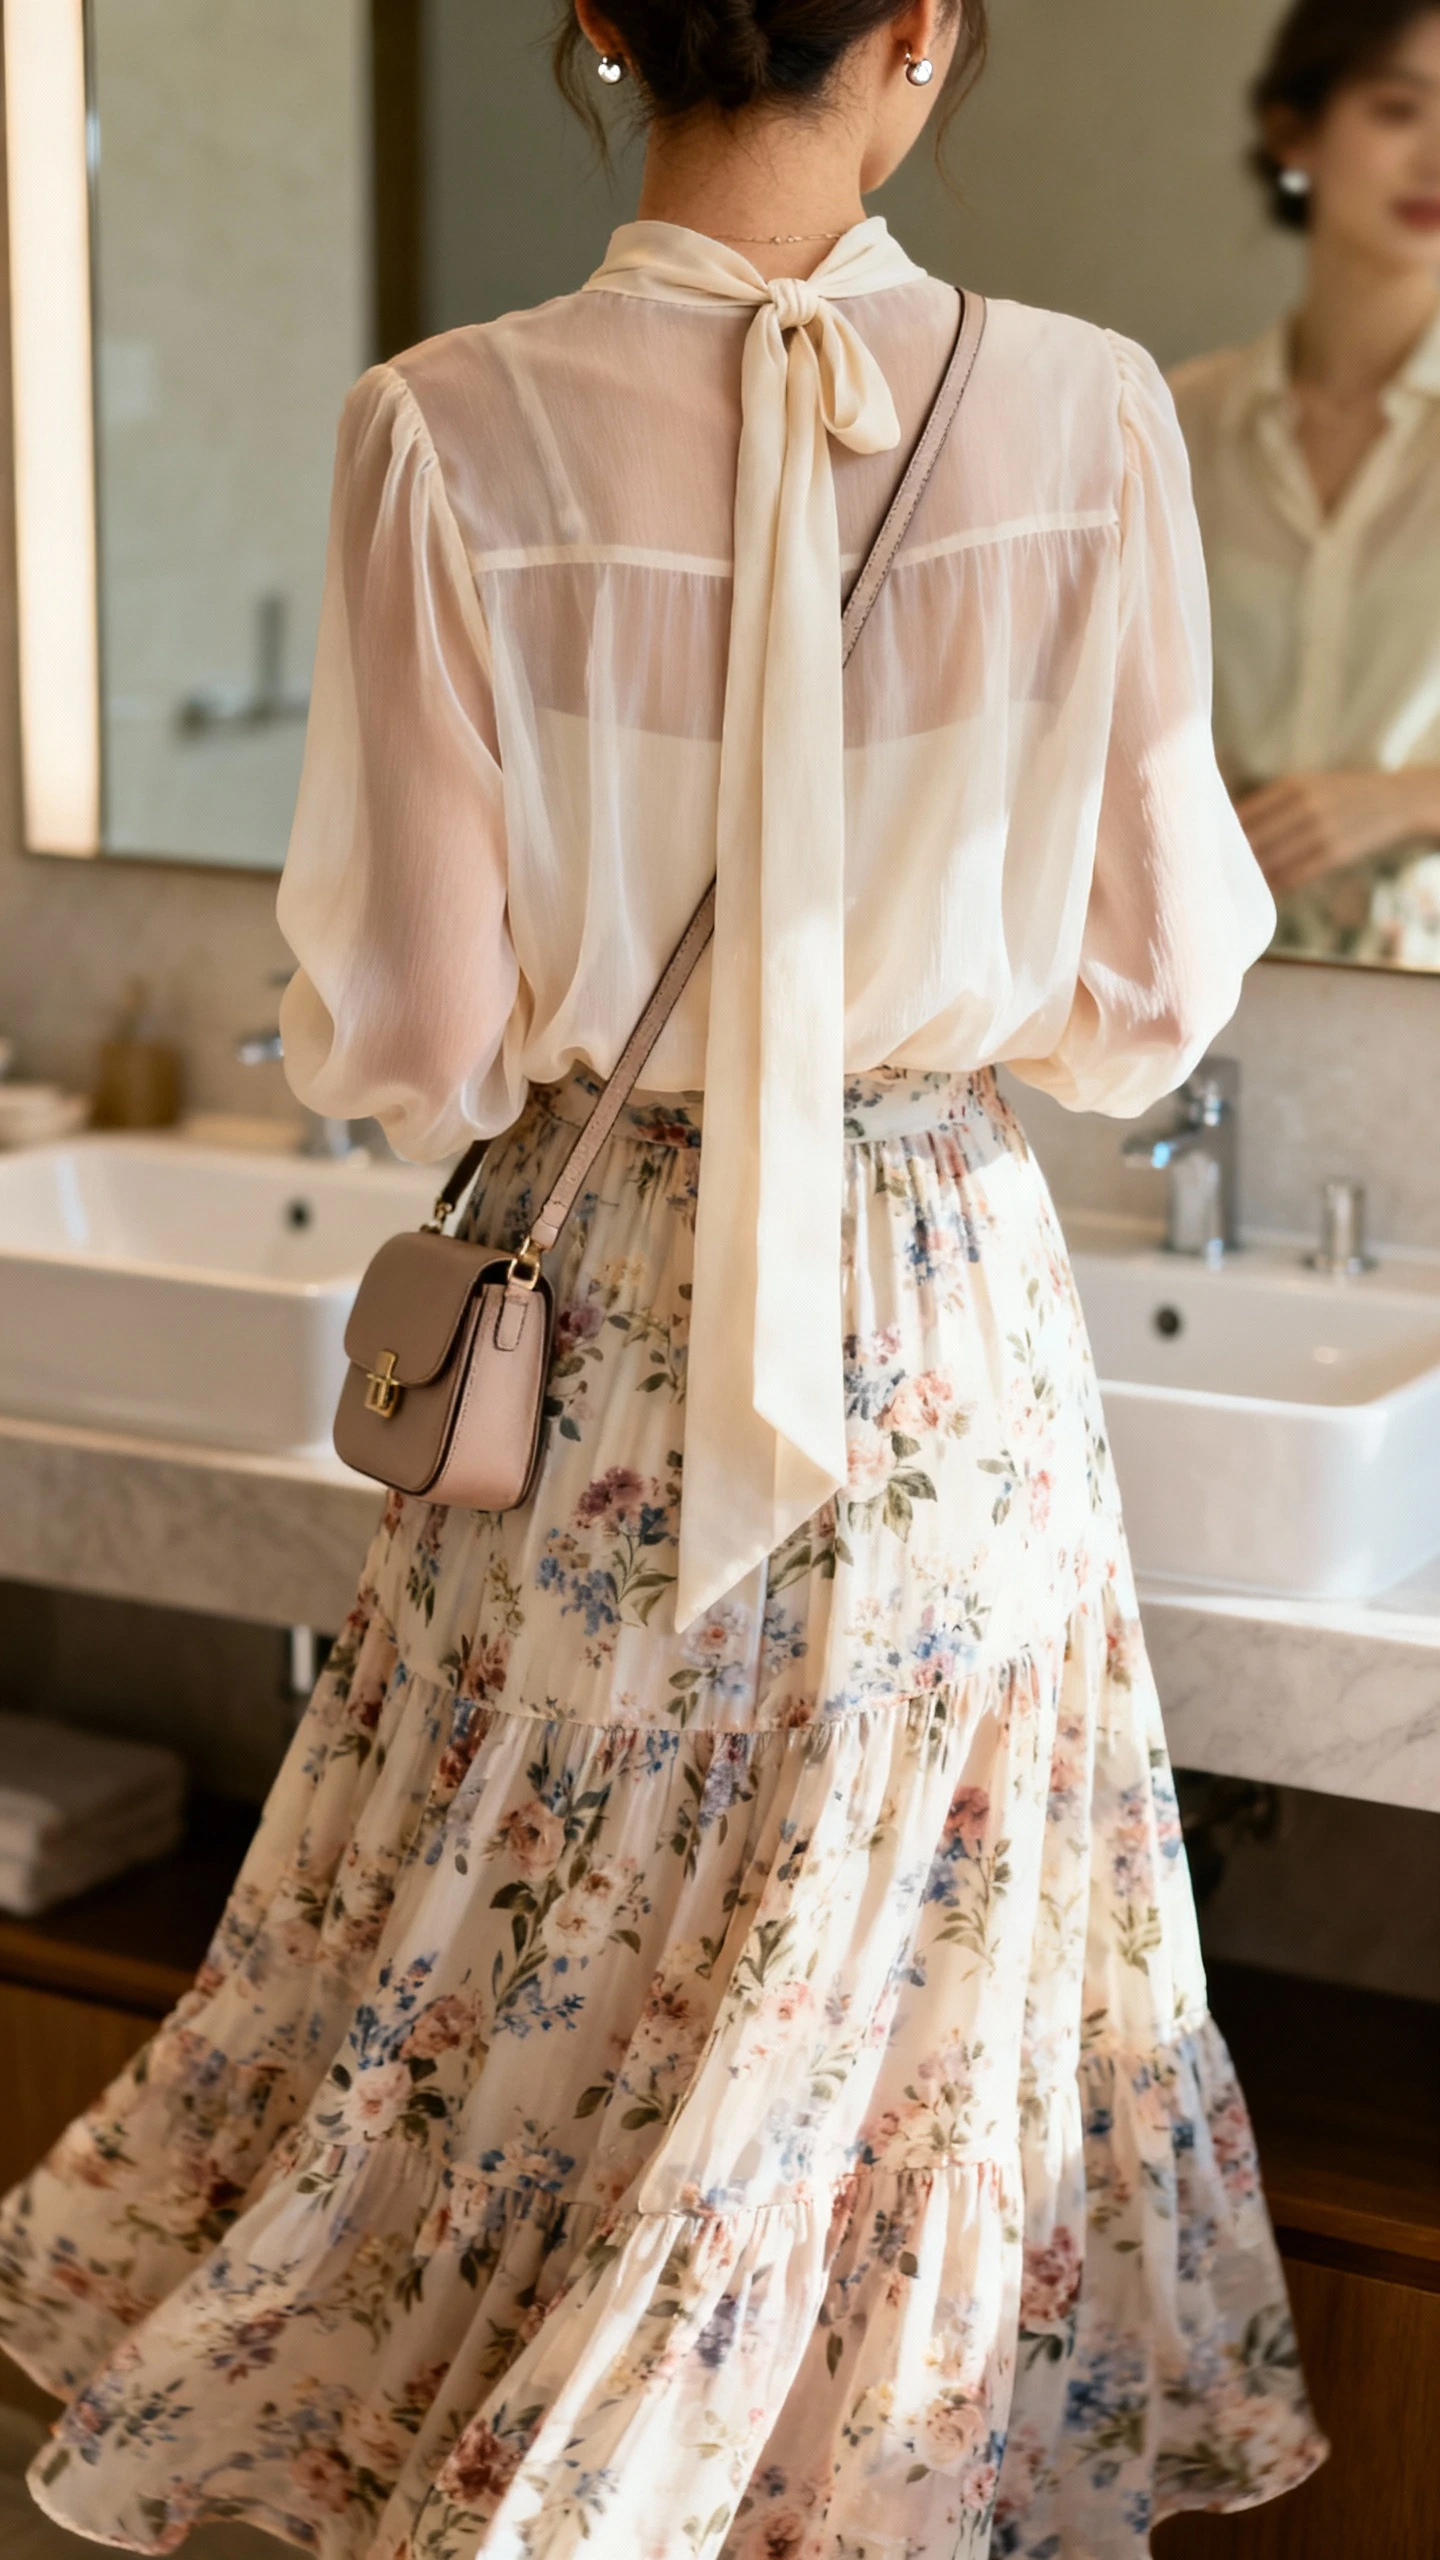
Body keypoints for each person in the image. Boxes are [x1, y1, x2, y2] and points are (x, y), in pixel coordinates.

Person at [0, 4, 1324, 2553]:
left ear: (597, 24)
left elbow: (410, 1034)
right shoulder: (1086, 409)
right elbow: (1158, 985)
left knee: (546, 1962)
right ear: (923, 26)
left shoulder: (442, 426)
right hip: (941, 1318)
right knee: (902, 2001)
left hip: (596, 1311)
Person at [1172, 0, 1440, 967]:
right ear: (1295, 132)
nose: (1435, 155)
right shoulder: (1175, 425)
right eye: (1398, 110)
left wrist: (1400, 800)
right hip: (1197, 970)